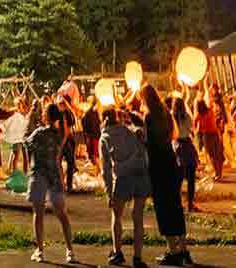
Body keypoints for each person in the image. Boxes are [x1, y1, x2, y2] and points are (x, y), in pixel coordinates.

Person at [140, 84, 193, 266]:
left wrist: (140, 138)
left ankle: (172, 251)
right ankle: (184, 249)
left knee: (163, 208)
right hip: (172, 162)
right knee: (176, 206)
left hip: (158, 165)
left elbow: (149, 143)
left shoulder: (149, 117)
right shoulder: (166, 114)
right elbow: (172, 135)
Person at [23, 102, 77, 264]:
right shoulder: (59, 135)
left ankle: (40, 251)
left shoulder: (39, 132)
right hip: (54, 175)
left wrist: (27, 131)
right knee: (62, 214)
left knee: (38, 214)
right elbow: (65, 134)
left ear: (45, 116)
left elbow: (27, 142)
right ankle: (70, 251)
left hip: (39, 174)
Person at [99, 106, 151, 267]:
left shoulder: (104, 138)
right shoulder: (130, 131)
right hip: (140, 174)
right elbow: (143, 149)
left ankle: (118, 252)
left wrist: (109, 192)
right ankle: (138, 257)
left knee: (117, 216)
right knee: (138, 218)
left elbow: (106, 169)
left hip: (122, 178)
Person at [171, 97, 200, 212]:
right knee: (191, 178)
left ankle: (177, 202)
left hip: (176, 147)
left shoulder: (171, 117)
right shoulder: (187, 116)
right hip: (186, 145)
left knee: (178, 178)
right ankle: (190, 203)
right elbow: (191, 129)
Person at [193, 96, 225, 180]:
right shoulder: (210, 111)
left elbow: (194, 123)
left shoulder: (200, 115)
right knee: (217, 155)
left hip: (207, 136)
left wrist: (199, 129)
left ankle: (217, 173)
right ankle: (219, 173)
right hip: (215, 134)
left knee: (212, 155)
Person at [81, 98, 102, 176]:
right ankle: (98, 171)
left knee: (95, 155)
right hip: (93, 137)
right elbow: (86, 126)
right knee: (95, 155)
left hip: (94, 136)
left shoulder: (94, 113)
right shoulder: (90, 113)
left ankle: (98, 172)